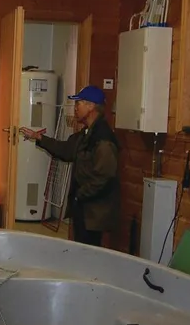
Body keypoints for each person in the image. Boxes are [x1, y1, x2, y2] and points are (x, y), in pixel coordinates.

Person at [21, 86, 120, 247]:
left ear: (91, 106)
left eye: (78, 103)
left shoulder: (103, 139)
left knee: (89, 252)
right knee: (80, 248)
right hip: (84, 209)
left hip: (94, 212)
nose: (75, 108)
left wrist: (79, 195)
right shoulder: (86, 134)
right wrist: (39, 138)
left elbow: (104, 176)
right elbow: (66, 150)